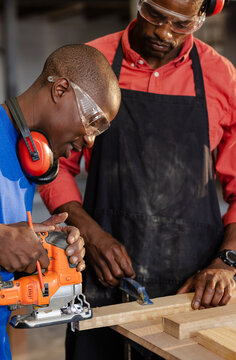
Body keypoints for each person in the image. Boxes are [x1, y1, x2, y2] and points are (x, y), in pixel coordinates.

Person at [39, 0, 236, 359]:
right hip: (102, 282)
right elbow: (51, 165)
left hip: (191, 293)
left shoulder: (221, 78)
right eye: (155, 15)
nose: (163, 33)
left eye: (181, 25)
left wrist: (226, 263)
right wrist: (90, 233)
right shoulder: (93, 65)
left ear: (202, 17)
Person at [0, 43, 121, 360]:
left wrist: (41, 245)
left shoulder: (27, 159)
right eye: (93, 120)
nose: (91, 140)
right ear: (61, 89)